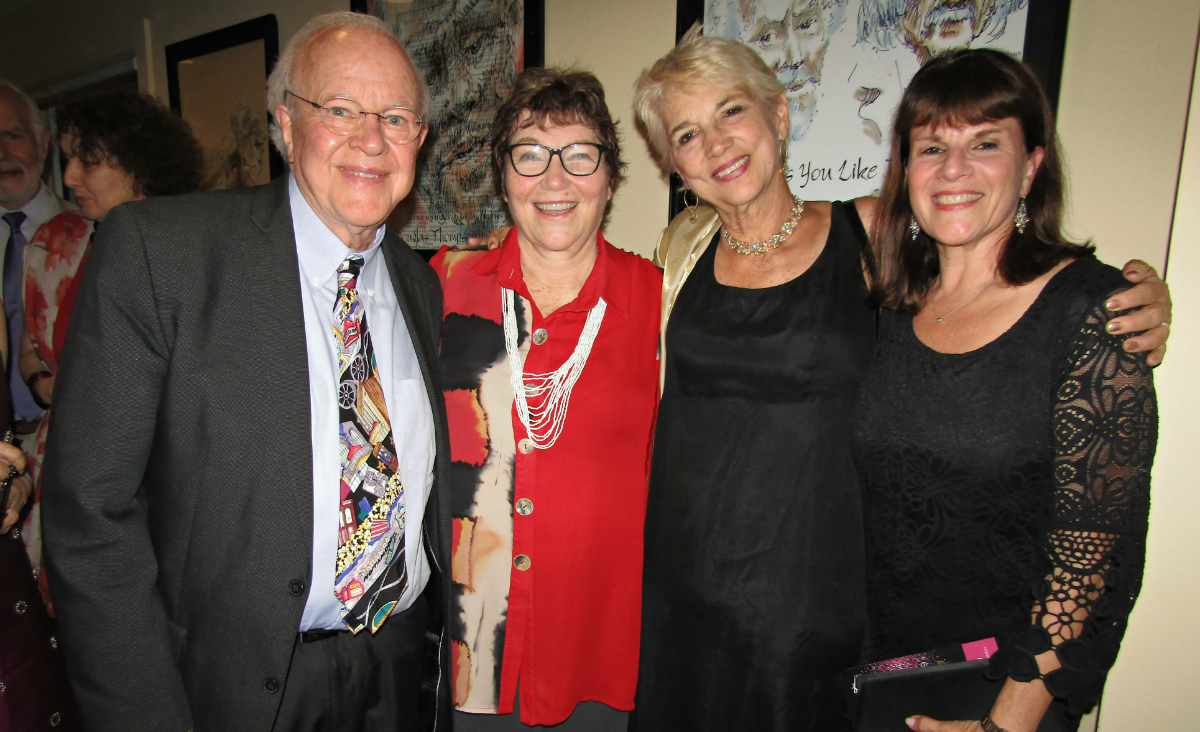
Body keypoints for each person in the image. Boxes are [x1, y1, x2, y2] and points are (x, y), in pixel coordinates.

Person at [628, 28, 1169, 731]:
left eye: (732, 111)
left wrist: (1140, 296)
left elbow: (1005, 284)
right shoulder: (680, 248)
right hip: (685, 591)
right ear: (672, 161)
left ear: (780, 115)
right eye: (687, 133)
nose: (718, 143)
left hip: (816, 605)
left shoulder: (873, 237)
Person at [41, 11, 452, 732]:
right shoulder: (162, 256)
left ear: (419, 138)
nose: (371, 139)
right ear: (286, 126)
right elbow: (90, 518)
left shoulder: (417, 287)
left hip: (397, 674)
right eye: (341, 110)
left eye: (395, 116)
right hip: (231, 692)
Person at [852, 48, 1155, 732]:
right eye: (932, 148)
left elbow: (1089, 557)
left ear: (1032, 167)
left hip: (1005, 698)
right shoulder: (892, 305)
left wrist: (1005, 723)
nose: (954, 170)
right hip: (889, 676)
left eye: (985, 144)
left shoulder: (1091, 311)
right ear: (906, 169)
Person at [431, 68, 661, 731]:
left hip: (601, 656)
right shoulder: (443, 289)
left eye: (580, 155)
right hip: (472, 653)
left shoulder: (661, 303)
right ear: (504, 177)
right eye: (530, 155)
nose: (554, 179)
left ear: (610, 178)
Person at [19, 89, 203, 612]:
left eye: (89, 161)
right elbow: (32, 349)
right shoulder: (57, 242)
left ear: (140, 163)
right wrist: (47, 386)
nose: (70, 176)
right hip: (65, 461)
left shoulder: (187, 250)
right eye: (69, 158)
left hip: (154, 470)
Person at [0, 81, 73, 435]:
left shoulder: (90, 235)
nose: (0, 153)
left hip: (62, 437)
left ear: (43, 142)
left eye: (12, 136)